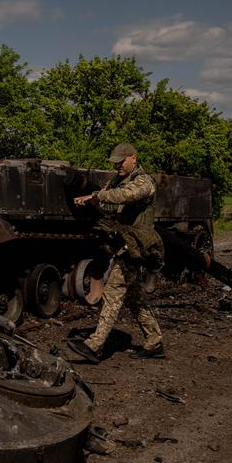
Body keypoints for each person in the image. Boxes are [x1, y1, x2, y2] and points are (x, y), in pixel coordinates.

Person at [68, 142, 165, 364]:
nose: (118, 165)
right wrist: (91, 199)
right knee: (135, 298)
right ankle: (154, 342)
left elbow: (124, 196)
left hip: (138, 247)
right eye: (115, 162)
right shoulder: (117, 181)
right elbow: (110, 203)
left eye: (122, 161)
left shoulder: (143, 182)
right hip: (125, 245)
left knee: (112, 292)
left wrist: (96, 196)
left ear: (133, 158)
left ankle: (94, 345)